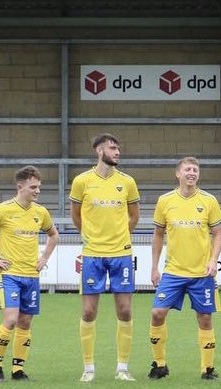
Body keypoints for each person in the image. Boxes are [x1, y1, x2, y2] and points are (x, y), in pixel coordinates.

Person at [0, 166, 57, 382]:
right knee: (10, 320)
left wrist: (44, 258)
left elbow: (53, 235)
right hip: (9, 275)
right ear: (20, 186)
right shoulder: (3, 209)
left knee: (25, 323)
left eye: (39, 187)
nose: (37, 191)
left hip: (32, 276)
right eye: (33, 187)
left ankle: (18, 370)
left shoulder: (41, 212)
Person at [70, 133, 140, 382]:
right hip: (92, 255)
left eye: (118, 147)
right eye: (113, 148)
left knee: (125, 310)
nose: (118, 151)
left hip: (121, 254)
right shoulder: (82, 181)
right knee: (88, 312)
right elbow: (76, 215)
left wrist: (119, 237)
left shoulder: (127, 182)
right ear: (99, 151)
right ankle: (88, 368)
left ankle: (122, 368)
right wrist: (91, 237)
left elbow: (134, 216)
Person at [147, 157, 221, 381]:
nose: (192, 173)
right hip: (173, 272)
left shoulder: (209, 200)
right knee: (157, 313)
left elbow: (218, 234)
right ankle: (160, 365)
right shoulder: (165, 201)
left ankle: (207, 369)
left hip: (201, 273)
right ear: (178, 174)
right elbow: (158, 235)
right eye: (187, 169)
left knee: (205, 319)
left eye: (195, 170)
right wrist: (154, 267)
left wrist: (213, 260)